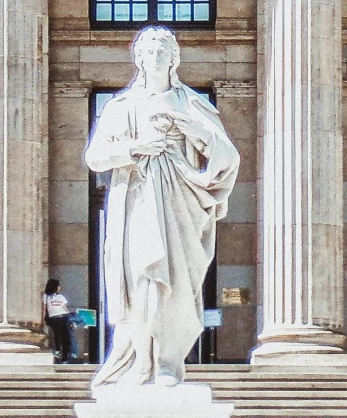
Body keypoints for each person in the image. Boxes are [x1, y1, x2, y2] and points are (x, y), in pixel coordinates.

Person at [82, 26, 240, 391]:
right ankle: (141, 361)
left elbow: (227, 155)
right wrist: (136, 148)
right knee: (141, 281)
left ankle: (168, 362)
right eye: (149, 50)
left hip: (181, 203)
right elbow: (95, 157)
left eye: (163, 51)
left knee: (178, 286)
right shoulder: (120, 106)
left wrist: (191, 128)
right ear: (138, 58)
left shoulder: (193, 104)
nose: (156, 56)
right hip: (136, 200)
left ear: (175, 58)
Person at [44, 279, 73, 363]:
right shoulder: (46, 296)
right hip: (54, 317)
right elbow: (44, 308)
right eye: (58, 286)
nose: (59, 288)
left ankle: (65, 357)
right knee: (57, 335)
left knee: (66, 338)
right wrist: (43, 319)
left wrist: (69, 314)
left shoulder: (61, 296)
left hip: (63, 316)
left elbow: (64, 307)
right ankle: (57, 351)